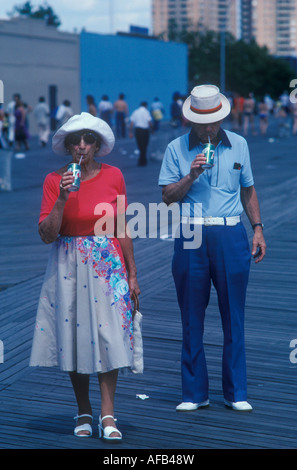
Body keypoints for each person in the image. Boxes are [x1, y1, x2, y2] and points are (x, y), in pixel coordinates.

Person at [30, 112, 140, 441]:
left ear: (97, 145)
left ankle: (108, 414)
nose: (81, 145)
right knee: (73, 338)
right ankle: (83, 410)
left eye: (88, 139)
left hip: (107, 263)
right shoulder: (53, 180)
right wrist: (63, 197)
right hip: (67, 263)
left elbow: (122, 226)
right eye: (75, 140)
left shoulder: (114, 175)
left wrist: (133, 274)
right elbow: (46, 234)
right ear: (66, 146)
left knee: (110, 336)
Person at [158, 85, 266, 412]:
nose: (210, 127)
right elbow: (167, 197)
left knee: (234, 315)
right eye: (204, 122)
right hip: (191, 233)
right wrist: (191, 175)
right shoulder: (176, 149)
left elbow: (248, 190)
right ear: (191, 120)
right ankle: (194, 393)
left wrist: (258, 229)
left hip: (231, 233)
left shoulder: (240, 145)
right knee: (192, 317)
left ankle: (236, 393)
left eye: (215, 120)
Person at [129, 101, 153, 166]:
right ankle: (143, 160)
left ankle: (141, 160)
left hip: (138, 130)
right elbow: (149, 122)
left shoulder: (135, 112)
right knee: (144, 145)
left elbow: (132, 123)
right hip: (145, 131)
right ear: (146, 106)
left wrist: (130, 132)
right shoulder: (146, 112)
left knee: (140, 145)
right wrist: (152, 129)